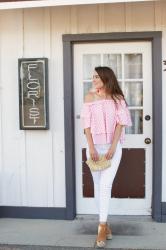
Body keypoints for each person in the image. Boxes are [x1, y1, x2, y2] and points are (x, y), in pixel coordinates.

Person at [80, 66, 132, 248]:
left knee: (105, 184)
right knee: (97, 186)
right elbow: (86, 126)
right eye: (92, 76)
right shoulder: (89, 98)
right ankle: (105, 223)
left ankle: (101, 227)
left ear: (105, 78)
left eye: (96, 76)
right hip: (94, 148)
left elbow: (120, 124)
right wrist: (92, 147)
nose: (93, 79)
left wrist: (113, 146)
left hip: (112, 149)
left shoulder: (118, 99)